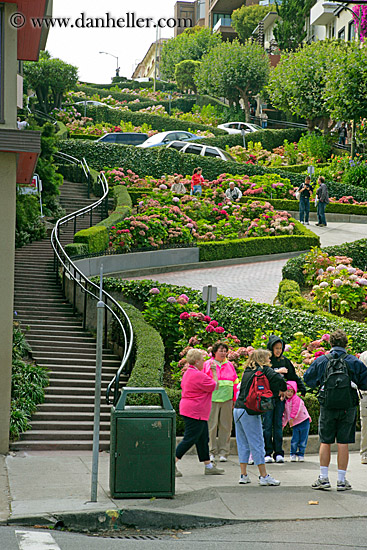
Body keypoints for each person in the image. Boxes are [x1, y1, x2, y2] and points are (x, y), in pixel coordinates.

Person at [304, 329, 367, 491]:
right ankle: (341, 480)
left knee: (325, 441)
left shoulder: (322, 360)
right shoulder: (354, 361)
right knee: (343, 442)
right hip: (348, 406)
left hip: (328, 405)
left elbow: (308, 380)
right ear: (346, 344)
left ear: (330, 343)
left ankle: (324, 478)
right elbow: (365, 383)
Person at [234, 349, 287, 486]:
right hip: (250, 411)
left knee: (243, 442)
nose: (270, 360)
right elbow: (281, 381)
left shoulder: (247, 371)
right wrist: (280, 389)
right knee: (257, 442)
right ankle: (264, 476)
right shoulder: (264, 370)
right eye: (268, 358)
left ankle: (243, 475)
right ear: (262, 359)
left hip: (238, 409)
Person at [175, 349, 225, 477]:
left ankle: (208, 466)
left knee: (203, 439)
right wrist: (214, 371)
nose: (204, 362)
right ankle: (171, 463)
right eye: (202, 360)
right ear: (197, 362)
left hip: (193, 410)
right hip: (195, 411)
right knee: (190, 438)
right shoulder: (198, 375)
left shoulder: (189, 373)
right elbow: (215, 385)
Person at [264, 335, 307, 463]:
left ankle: (278, 453)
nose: (278, 351)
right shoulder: (266, 360)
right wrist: (277, 371)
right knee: (266, 425)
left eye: (280, 348)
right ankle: (267, 452)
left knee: (278, 424)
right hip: (267, 398)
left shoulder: (284, 361)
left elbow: (293, 376)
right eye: (276, 348)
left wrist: (302, 388)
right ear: (271, 348)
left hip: (280, 399)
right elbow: (263, 375)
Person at [203, 342, 239, 463]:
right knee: (211, 427)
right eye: (221, 350)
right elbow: (203, 381)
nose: (223, 353)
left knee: (226, 427)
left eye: (225, 351)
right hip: (211, 400)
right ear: (214, 352)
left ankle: (224, 452)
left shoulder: (229, 365)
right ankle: (211, 452)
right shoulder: (207, 364)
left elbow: (235, 383)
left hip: (227, 400)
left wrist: (234, 399)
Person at [282, 381, 311, 462]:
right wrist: (283, 424)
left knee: (303, 440)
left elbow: (296, 409)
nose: (289, 393)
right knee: (295, 440)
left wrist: (291, 418)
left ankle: (301, 454)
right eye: (288, 391)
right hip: (295, 423)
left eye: (291, 391)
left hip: (304, 420)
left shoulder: (296, 399)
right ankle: (293, 454)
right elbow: (285, 414)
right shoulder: (286, 401)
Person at [357, 351, 367, 465]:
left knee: (365, 426)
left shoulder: (363, 356)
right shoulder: (364, 356)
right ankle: (364, 453)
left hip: (365, 396)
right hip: (365, 394)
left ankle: (364, 454)